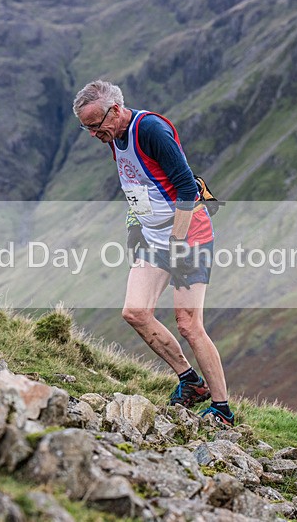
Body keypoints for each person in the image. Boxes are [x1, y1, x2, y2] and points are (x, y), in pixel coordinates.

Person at [72, 80, 234, 426]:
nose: (92, 134)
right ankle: (190, 382)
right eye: (86, 128)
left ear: (115, 111)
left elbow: (187, 188)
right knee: (135, 312)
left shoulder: (151, 131)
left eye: (95, 126)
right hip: (152, 237)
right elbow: (136, 185)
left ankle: (222, 408)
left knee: (189, 325)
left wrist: (176, 244)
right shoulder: (115, 137)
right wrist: (136, 230)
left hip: (188, 236)